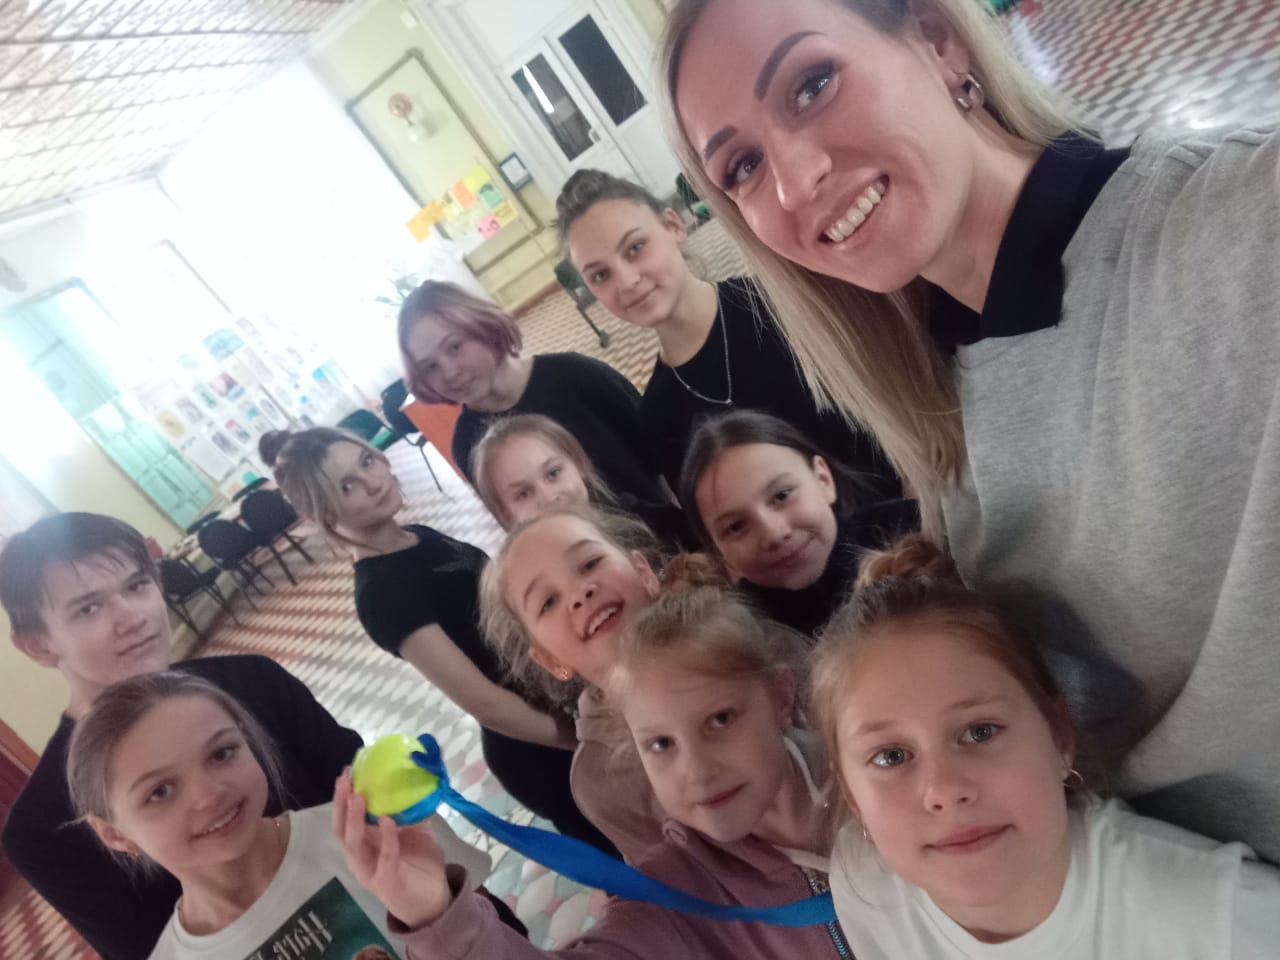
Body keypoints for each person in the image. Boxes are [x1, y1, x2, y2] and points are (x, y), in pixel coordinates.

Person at [659, 0, 1280, 860]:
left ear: (938, 38)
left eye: (812, 84)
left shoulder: (1237, 224)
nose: (796, 183)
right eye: (743, 167)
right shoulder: (937, 386)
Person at [334, 566, 851, 959]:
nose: (696, 770)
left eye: (720, 720)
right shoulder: (670, 893)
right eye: (661, 744)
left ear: (781, 696)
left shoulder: (868, 785)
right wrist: (439, 918)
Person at [810, 535, 1280, 957]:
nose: (945, 791)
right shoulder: (866, 887)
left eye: (980, 731)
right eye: (891, 756)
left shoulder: (1222, 920)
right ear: (850, 792)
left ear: (1059, 735)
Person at [0, 512, 364, 960]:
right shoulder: (41, 827)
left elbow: (363, 788)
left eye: (137, 585)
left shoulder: (255, 680)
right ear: (38, 645)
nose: (131, 617)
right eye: (88, 609)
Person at [269, 427, 616, 856]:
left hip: (560, 698)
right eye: (347, 486)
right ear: (323, 512)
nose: (372, 481)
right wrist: (583, 739)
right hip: (539, 744)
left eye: (366, 461)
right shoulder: (381, 592)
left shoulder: (417, 535)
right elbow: (485, 703)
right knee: (634, 860)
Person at [66, 671, 493, 959]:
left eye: (221, 753)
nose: (210, 795)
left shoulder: (380, 840)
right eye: (160, 792)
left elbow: (498, 942)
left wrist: (438, 914)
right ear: (114, 834)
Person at [556, 167, 899, 499]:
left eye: (635, 248)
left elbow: (892, 395)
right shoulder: (659, 416)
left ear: (674, 225)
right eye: (600, 275)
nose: (627, 281)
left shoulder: (780, 304)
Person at [479, 504, 670, 863]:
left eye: (589, 564)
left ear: (643, 571)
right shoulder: (603, 780)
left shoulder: (736, 641)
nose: (579, 594)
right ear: (551, 660)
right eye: (549, 602)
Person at [396, 280, 665, 505]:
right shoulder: (467, 444)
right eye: (430, 367)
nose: (449, 372)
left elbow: (657, 454)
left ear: (484, 327)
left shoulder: (576, 374)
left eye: (454, 347)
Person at [680, 410, 917, 636]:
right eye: (736, 526)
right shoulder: (737, 634)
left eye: (781, 495)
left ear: (823, 480)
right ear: (717, 550)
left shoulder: (917, 531)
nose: (774, 534)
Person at [471, 413, 694, 549]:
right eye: (523, 493)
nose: (549, 497)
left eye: (553, 473)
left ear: (580, 465)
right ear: (506, 516)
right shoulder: (526, 590)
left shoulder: (657, 525)